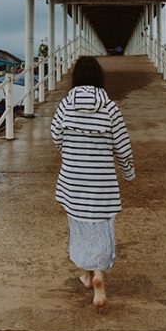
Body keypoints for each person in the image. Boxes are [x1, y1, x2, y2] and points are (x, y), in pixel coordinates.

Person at [50, 56, 135, 310]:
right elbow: (122, 146)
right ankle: (99, 274)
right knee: (102, 227)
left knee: (79, 226)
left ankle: (87, 275)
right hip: (102, 181)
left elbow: (55, 135)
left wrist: (70, 152)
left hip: (74, 179)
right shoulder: (109, 107)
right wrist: (128, 172)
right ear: (99, 77)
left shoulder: (65, 105)